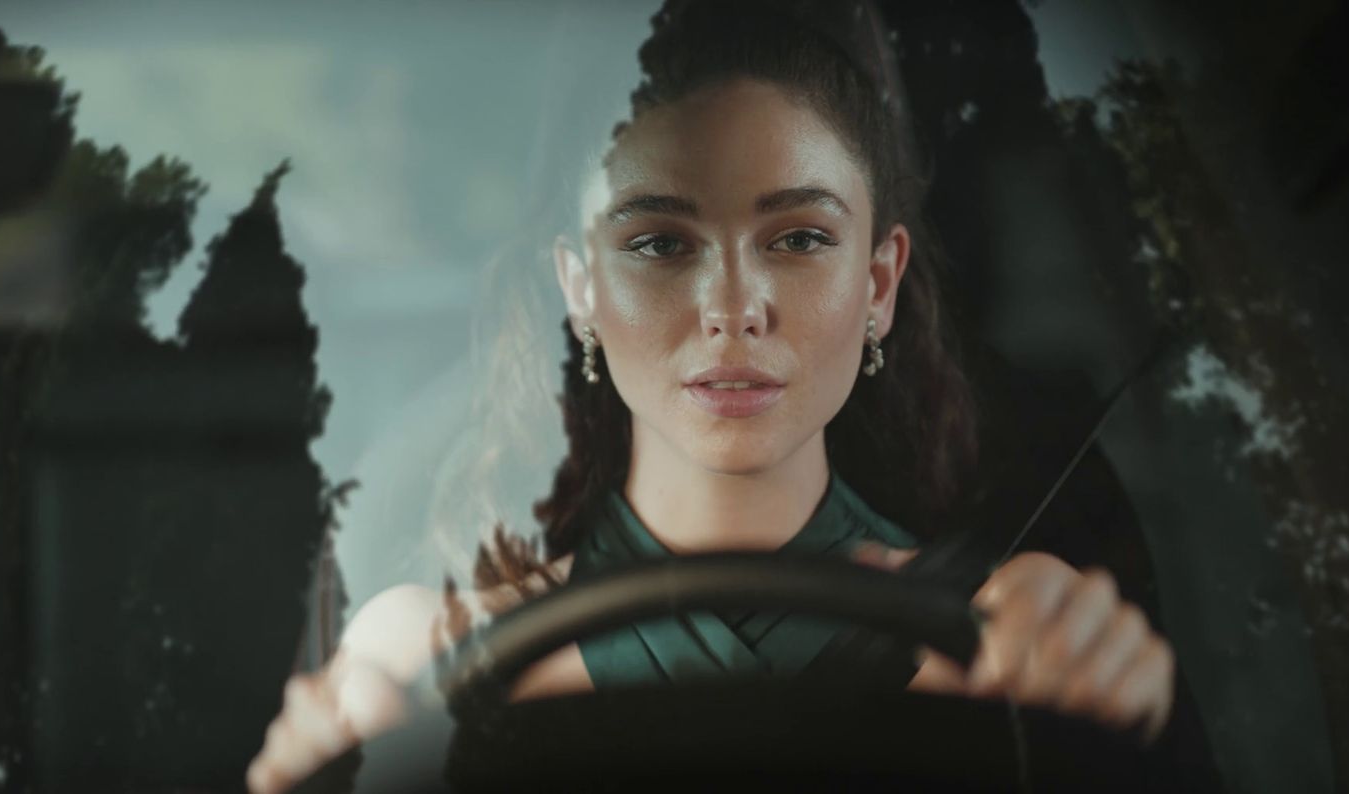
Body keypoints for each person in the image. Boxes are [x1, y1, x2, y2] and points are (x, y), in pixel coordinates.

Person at [247, 2, 1187, 791]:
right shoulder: (428, 655)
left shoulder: (1014, 635)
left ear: (879, 282)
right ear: (581, 291)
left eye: (798, 239)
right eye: (661, 243)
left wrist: (1100, 688)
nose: (734, 309)